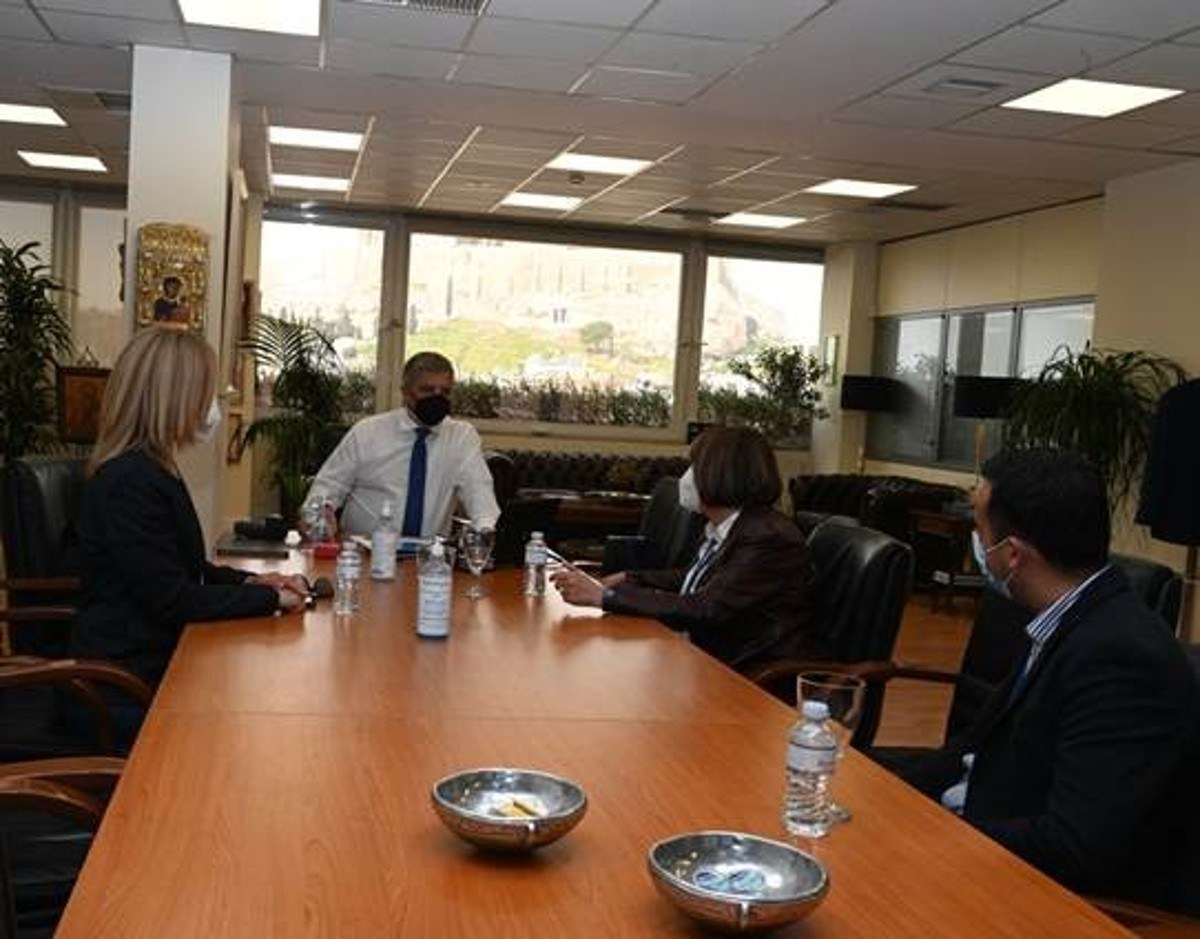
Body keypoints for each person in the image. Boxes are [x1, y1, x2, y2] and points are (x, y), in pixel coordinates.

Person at [893, 448, 1199, 907]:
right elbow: (974, 747)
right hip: (978, 837)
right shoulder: (1066, 613)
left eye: (979, 530)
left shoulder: (1121, 659)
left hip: (1034, 894)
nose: (975, 544)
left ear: (1012, 554)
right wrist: (887, 796)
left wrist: (937, 836)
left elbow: (1073, 846)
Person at [70, 327, 309, 702]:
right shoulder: (129, 483)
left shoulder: (155, 467)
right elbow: (173, 599)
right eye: (205, 392)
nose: (212, 405)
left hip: (158, 659)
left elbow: (184, 568)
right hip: (124, 684)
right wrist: (271, 600)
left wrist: (252, 582)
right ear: (173, 398)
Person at [552, 425, 816, 673]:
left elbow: (706, 607)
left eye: (695, 465)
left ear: (720, 473)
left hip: (744, 671)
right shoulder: (728, 524)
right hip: (705, 652)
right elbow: (700, 578)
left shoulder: (767, 537)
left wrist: (606, 597)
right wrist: (630, 578)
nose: (687, 476)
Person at [303, 351, 499, 538]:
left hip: (427, 554)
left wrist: (484, 533)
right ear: (405, 393)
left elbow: (480, 494)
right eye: (427, 390)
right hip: (364, 550)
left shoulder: (461, 437)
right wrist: (321, 516)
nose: (437, 397)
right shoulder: (368, 432)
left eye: (445, 392)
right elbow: (327, 488)